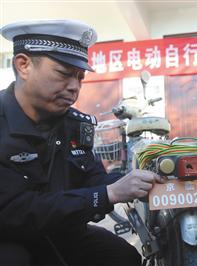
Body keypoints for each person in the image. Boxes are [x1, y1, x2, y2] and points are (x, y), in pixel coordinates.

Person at [0, 19, 163, 266]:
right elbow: (13, 211)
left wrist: (141, 182)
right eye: (64, 74)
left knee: (122, 256)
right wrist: (107, 194)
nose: (74, 87)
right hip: (9, 236)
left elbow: (93, 179)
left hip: (59, 232)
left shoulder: (74, 124)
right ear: (23, 65)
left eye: (80, 77)